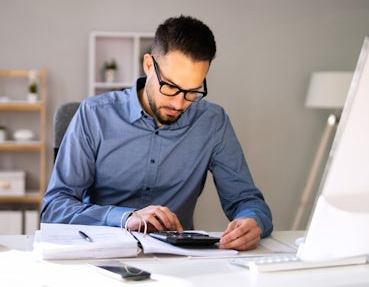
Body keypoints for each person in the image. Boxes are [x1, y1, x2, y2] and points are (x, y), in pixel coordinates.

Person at [41, 15, 273, 250]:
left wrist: (252, 221)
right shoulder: (94, 115)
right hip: (100, 253)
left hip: (178, 258)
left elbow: (246, 200)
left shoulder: (212, 122)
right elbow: (54, 208)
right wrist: (125, 217)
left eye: (192, 92)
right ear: (149, 65)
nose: (179, 103)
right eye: (170, 87)